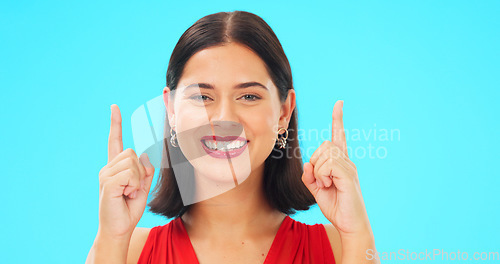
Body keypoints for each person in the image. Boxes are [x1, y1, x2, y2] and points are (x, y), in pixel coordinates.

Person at [86, 10, 378, 264]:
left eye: (248, 96)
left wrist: (357, 231)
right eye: (202, 96)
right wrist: (111, 238)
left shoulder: (339, 248)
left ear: (283, 112)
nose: (225, 118)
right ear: (171, 110)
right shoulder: (129, 251)